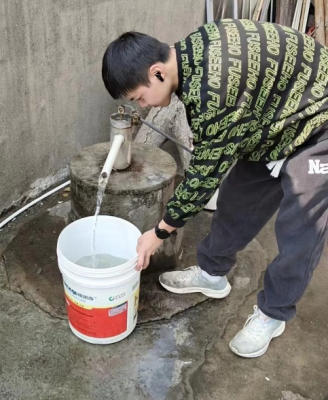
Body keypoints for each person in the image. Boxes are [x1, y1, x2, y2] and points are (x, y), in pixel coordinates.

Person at [101, 19, 328, 358]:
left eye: (140, 97)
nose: (143, 106)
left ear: (157, 72)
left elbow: (204, 176)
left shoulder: (214, 89)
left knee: (300, 228)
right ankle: (212, 275)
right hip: (272, 119)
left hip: (319, 122)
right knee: (237, 200)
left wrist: (159, 232)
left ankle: (273, 313)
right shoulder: (192, 53)